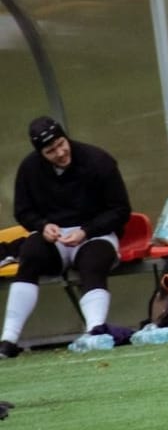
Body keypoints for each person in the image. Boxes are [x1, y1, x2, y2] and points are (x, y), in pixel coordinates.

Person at [0, 118, 132, 358]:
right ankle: (8, 339)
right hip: (55, 238)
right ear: (40, 153)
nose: (60, 153)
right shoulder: (29, 169)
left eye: (62, 144)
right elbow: (23, 211)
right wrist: (42, 226)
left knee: (94, 262)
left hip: (95, 234)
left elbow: (120, 209)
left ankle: (96, 330)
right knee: (30, 255)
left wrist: (86, 231)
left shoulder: (98, 161)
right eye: (51, 151)